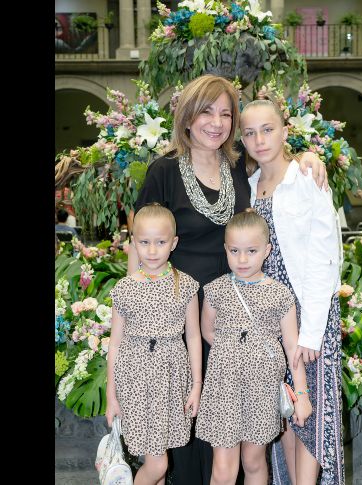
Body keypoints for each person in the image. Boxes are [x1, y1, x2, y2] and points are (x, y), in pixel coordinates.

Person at [128, 73, 329, 485]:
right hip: (178, 320)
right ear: (187, 117)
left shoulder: (242, 169)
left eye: (225, 113)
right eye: (206, 111)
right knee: (183, 427)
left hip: (234, 318)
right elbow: (141, 244)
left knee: (237, 442)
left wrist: (310, 158)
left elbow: (280, 168)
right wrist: (136, 317)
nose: (216, 122)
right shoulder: (163, 172)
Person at [240, 97, 345, 484]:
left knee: (311, 415)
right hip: (268, 319)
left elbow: (325, 259)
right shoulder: (249, 187)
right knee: (283, 412)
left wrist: (312, 331)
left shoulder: (305, 178)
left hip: (307, 314)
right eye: (250, 133)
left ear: (285, 131)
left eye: (267, 129)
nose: (259, 139)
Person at [196, 210, 312, 485]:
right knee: (223, 471)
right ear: (225, 249)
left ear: (267, 250)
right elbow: (208, 330)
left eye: (251, 250)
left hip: (262, 389)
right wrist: (234, 354)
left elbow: (292, 346)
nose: (243, 259)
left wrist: (302, 394)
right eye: (234, 251)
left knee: (253, 461)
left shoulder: (280, 294)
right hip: (223, 388)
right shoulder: (215, 290)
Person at [105, 203, 203, 485]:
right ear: (133, 242)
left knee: (156, 459)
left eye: (160, 242)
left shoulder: (185, 285)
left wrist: (196, 385)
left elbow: (194, 336)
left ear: (173, 243)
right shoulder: (124, 288)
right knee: (157, 462)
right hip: (134, 378)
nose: (151, 250)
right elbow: (115, 344)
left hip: (171, 377)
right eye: (144, 242)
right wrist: (111, 395)